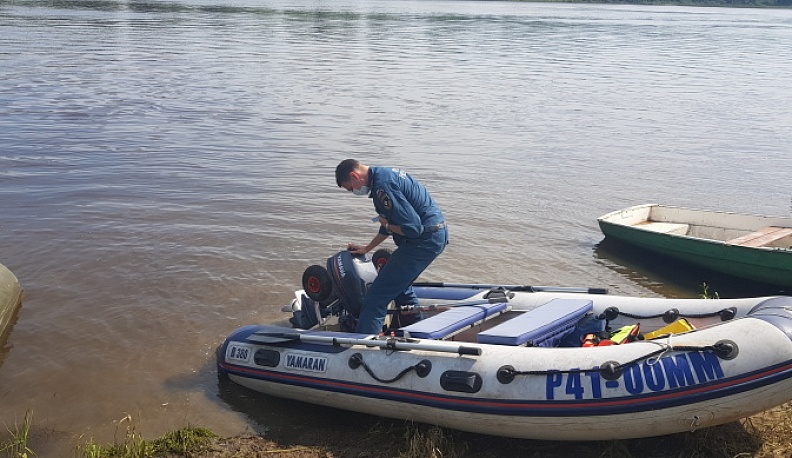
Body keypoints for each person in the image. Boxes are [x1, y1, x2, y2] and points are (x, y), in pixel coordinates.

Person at [335, 159, 448, 334]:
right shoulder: (383, 176)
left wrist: (387, 226)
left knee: (376, 297)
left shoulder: (383, 187)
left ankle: (364, 348)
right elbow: (389, 221)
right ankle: (416, 331)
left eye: (351, 188)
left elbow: (412, 229)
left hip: (422, 241)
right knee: (400, 288)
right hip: (434, 235)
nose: (354, 192)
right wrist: (367, 248)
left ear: (354, 175)